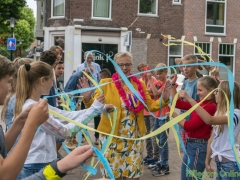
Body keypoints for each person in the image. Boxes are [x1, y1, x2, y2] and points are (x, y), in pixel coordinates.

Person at [15, 61, 114, 179]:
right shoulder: (34, 108)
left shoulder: (38, 104)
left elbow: (68, 116)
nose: (52, 85)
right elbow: (67, 132)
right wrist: (94, 109)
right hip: (36, 166)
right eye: (52, 81)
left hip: (42, 162)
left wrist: (99, 109)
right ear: (42, 81)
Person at [81, 52, 170, 180]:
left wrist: (164, 99)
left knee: (133, 176)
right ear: (115, 67)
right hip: (111, 139)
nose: (124, 68)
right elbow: (95, 107)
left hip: (133, 138)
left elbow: (150, 105)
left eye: (127, 64)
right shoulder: (105, 83)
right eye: (121, 65)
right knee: (113, 177)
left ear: (131, 65)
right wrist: (87, 98)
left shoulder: (139, 85)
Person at [179, 81, 240, 180]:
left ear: (226, 94)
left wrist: (190, 99)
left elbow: (209, 120)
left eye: (217, 91)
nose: (215, 94)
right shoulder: (220, 113)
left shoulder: (236, 114)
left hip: (231, 164)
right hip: (220, 163)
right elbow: (212, 138)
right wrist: (207, 162)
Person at [170, 75, 218, 180]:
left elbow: (189, 126)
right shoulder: (199, 103)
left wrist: (173, 114)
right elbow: (178, 103)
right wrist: (173, 85)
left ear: (210, 90)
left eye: (200, 90)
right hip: (190, 145)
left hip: (198, 147)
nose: (197, 93)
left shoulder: (211, 106)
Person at [147, 63, 171, 176]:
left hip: (164, 116)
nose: (158, 76)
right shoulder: (158, 82)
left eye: (160, 73)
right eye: (156, 74)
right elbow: (150, 91)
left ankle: (165, 165)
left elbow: (156, 92)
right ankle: (161, 161)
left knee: (163, 142)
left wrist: (150, 80)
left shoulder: (167, 83)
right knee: (158, 140)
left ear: (166, 72)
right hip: (156, 115)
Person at [137, 62, 160, 168]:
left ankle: (156, 156)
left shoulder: (153, 79)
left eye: (145, 69)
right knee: (146, 134)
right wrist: (147, 91)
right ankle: (149, 155)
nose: (144, 72)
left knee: (153, 134)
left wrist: (147, 90)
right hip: (143, 111)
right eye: (141, 70)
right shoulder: (140, 81)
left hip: (152, 111)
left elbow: (155, 92)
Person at [77, 51, 102, 145]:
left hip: (95, 94)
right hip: (84, 95)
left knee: (97, 116)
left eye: (91, 58)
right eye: (88, 57)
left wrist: (99, 90)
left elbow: (100, 79)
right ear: (84, 57)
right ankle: (83, 136)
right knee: (84, 115)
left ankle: (97, 137)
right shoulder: (80, 67)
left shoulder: (97, 66)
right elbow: (78, 80)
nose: (89, 59)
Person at [176, 55, 200, 146]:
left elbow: (199, 106)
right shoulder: (186, 82)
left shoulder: (198, 83)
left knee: (190, 152)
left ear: (196, 67)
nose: (185, 69)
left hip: (192, 124)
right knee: (184, 151)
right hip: (183, 122)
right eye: (183, 66)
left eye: (188, 66)